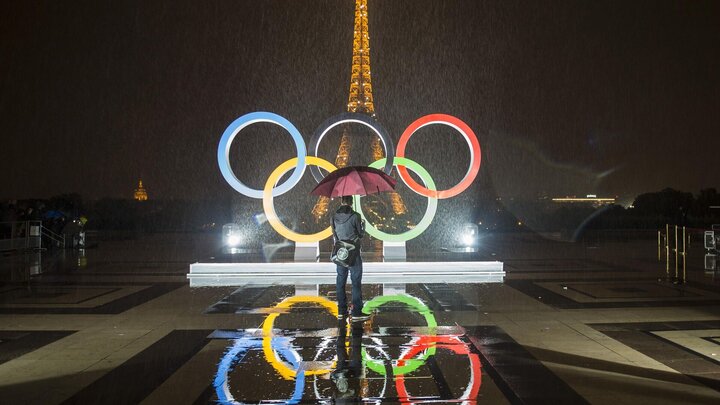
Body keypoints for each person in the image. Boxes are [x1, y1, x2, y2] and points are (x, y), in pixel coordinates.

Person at [332, 195, 369, 322]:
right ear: (352, 202)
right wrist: (363, 226)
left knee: (340, 282)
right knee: (355, 282)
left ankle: (341, 311)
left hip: (341, 252)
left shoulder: (334, 216)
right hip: (353, 253)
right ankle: (356, 312)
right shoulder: (355, 216)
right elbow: (360, 234)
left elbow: (335, 235)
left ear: (341, 201)